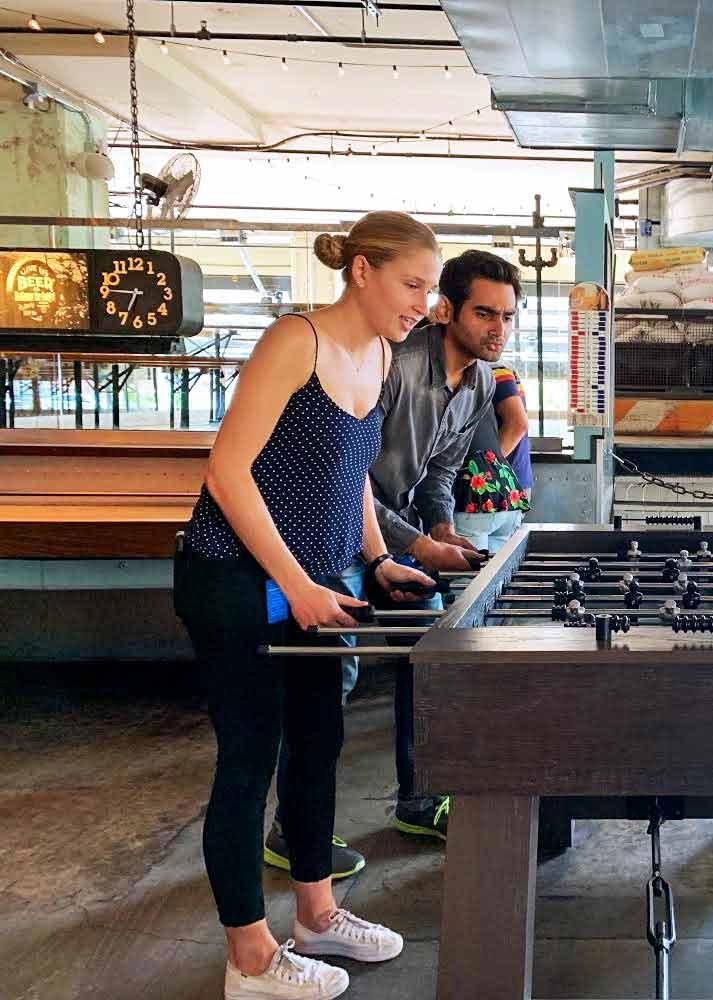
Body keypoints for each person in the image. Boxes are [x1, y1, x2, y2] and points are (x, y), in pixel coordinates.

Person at [174, 211, 440, 999]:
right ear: (361, 271)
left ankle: (317, 914)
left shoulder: (383, 353)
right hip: (233, 578)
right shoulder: (295, 341)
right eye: (411, 283)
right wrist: (294, 583)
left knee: (318, 745)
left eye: (429, 287)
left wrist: (378, 557)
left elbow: (353, 467)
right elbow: (228, 472)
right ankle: (249, 960)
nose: (423, 302)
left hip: (323, 583)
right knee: (249, 760)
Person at [370, 248, 522, 839]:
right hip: (339, 538)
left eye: (507, 316)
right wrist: (417, 543)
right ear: (446, 308)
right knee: (328, 686)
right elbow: (347, 479)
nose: (498, 329)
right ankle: (296, 828)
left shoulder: (481, 381)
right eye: (485, 313)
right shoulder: (395, 365)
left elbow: (438, 470)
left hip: (403, 530)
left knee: (425, 664)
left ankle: (418, 800)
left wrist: (439, 527)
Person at [452, 361, 532, 552]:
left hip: (485, 489)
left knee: (470, 576)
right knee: (496, 572)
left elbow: (517, 424)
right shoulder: (497, 369)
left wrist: (488, 471)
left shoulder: (492, 369)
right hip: (510, 489)